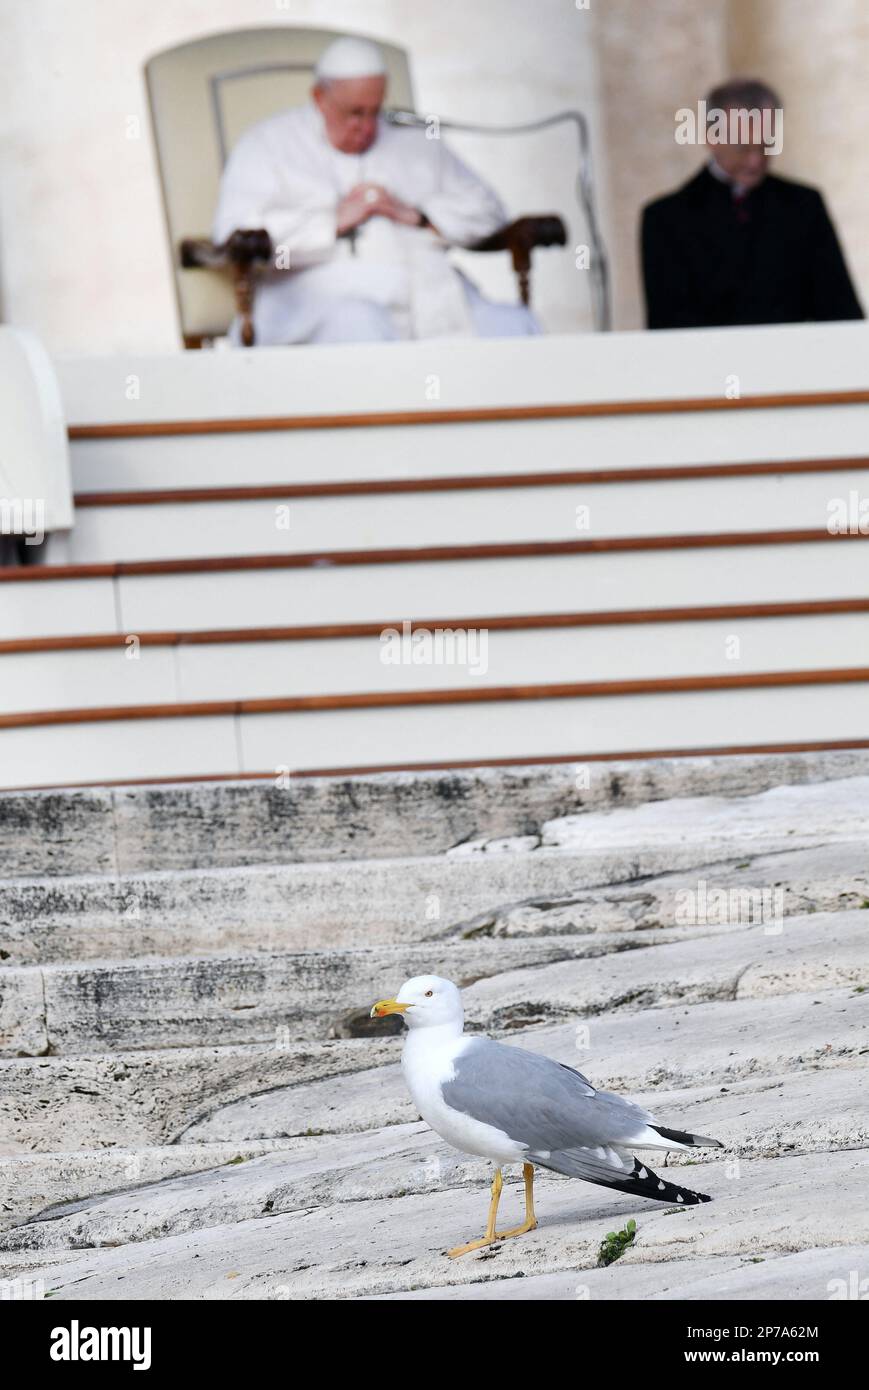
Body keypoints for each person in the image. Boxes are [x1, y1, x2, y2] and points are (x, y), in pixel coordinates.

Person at [212, 36, 539, 345]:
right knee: (360, 326)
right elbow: (235, 234)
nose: (367, 127)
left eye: (375, 111)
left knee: (514, 326)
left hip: (430, 292)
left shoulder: (415, 141)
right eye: (355, 113)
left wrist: (419, 216)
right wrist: (332, 221)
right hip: (320, 297)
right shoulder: (269, 143)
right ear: (319, 98)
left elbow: (489, 212)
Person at [641, 78, 863, 330]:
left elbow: (841, 311)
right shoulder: (666, 220)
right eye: (743, 147)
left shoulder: (803, 206)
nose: (755, 161)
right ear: (711, 137)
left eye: (766, 145)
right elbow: (668, 324)